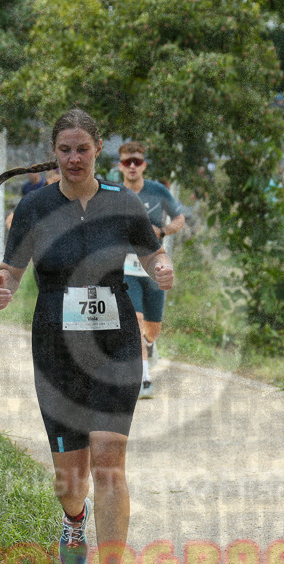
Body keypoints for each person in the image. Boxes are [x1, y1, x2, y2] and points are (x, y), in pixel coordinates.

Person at [0, 108, 173, 564]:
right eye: (65, 150)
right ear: (56, 152)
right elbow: (10, 270)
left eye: (83, 149)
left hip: (115, 343)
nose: (73, 158)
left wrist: (162, 269)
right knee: (72, 478)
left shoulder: (124, 202)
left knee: (110, 460)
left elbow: (153, 253)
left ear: (97, 152)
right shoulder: (34, 207)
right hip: (56, 348)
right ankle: (74, 520)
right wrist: (0, 290)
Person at [117, 142, 185, 399]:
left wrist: (164, 231)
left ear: (144, 165)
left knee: (152, 329)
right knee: (135, 322)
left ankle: (151, 343)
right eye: (126, 162)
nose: (132, 166)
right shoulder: (115, 193)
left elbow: (179, 219)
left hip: (155, 268)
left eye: (136, 161)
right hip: (126, 269)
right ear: (120, 166)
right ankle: (144, 380)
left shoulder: (158, 191)